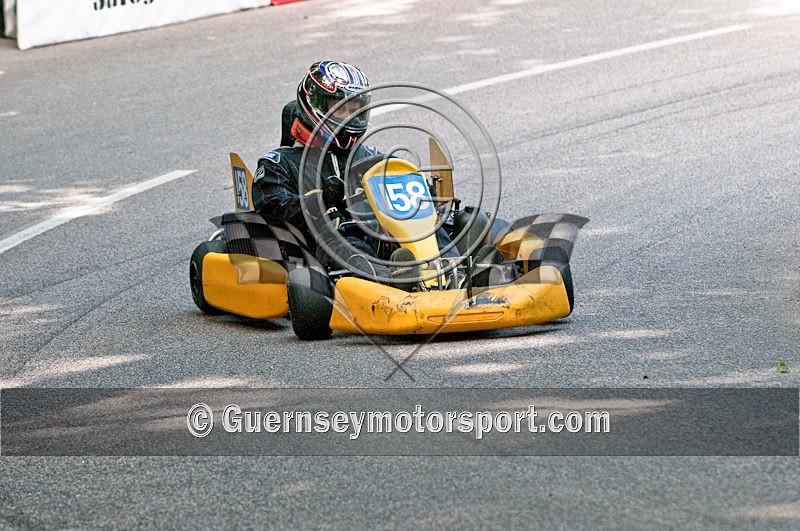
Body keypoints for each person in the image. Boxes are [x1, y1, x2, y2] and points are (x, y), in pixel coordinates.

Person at [252, 60, 385, 275]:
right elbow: (273, 209)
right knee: (343, 238)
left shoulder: (371, 157)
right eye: (341, 109)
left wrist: (419, 188)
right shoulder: (279, 163)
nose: (349, 117)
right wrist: (321, 201)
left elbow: (400, 185)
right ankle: (382, 280)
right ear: (315, 106)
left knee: (445, 224)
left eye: (355, 110)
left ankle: (450, 271)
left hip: (379, 236)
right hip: (321, 248)